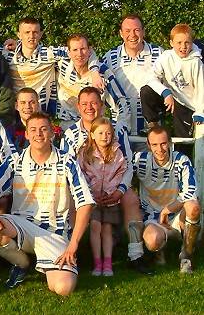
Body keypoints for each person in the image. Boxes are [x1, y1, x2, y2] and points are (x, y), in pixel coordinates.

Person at [0, 112, 94, 296]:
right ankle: (22, 263)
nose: (39, 134)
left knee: (63, 288)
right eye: (33, 130)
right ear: (26, 134)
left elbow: (85, 203)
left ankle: (47, 263)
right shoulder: (15, 160)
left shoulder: (67, 161)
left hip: (55, 233)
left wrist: (73, 245)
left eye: (44, 129)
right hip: (22, 226)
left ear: (52, 133)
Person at [60, 87, 152, 274]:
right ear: (78, 107)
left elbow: (128, 166)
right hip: (83, 191)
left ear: (101, 105)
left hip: (113, 187)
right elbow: (65, 170)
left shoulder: (117, 130)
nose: (89, 107)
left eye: (94, 103)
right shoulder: (70, 134)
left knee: (131, 198)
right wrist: (86, 192)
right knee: (66, 197)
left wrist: (120, 189)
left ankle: (136, 254)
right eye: (84, 104)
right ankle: (70, 251)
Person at [134, 126, 200, 273]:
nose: (160, 149)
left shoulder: (181, 160)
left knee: (193, 206)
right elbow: (122, 175)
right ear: (148, 145)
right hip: (153, 216)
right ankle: (159, 251)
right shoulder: (140, 160)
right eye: (155, 145)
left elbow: (191, 192)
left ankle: (186, 256)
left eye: (163, 143)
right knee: (152, 241)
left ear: (170, 142)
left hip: (178, 215)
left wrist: (167, 210)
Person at [141, 24, 204, 156]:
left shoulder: (196, 61)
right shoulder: (166, 56)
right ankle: (153, 127)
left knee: (183, 140)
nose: (183, 47)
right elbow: (151, 77)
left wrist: (200, 111)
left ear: (192, 43)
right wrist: (166, 92)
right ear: (171, 43)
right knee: (146, 91)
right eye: (179, 42)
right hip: (170, 97)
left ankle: (183, 165)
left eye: (187, 42)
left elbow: (201, 87)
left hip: (186, 104)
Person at [77, 118, 126, 276]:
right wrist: (92, 192)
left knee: (106, 229)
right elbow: (80, 174)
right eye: (100, 133)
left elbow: (121, 172)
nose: (105, 136)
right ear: (92, 134)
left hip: (110, 198)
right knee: (95, 226)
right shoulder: (85, 153)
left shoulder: (117, 152)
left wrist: (111, 191)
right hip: (93, 198)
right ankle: (97, 262)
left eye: (108, 133)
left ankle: (108, 263)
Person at [101, 14, 163, 136]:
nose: (132, 35)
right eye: (127, 31)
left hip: (151, 131)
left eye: (137, 30)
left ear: (143, 32)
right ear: (121, 33)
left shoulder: (159, 54)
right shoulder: (110, 57)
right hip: (119, 127)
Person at [57, 34, 130, 131]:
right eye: (75, 50)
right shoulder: (61, 64)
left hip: (94, 127)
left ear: (89, 50)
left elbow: (120, 102)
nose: (79, 54)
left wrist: (119, 130)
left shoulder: (102, 73)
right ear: (69, 52)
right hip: (67, 125)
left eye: (83, 49)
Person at [7, 88, 41, 152]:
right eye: (23, 103)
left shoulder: (48, 130)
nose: (28, 106)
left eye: (32, 102)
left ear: (38, 105)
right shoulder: (9, 132)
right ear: (16, 106)